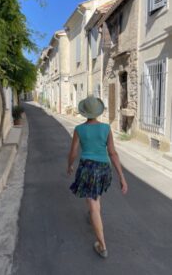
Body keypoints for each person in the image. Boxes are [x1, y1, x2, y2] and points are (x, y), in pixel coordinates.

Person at [67, 96, 128, 259]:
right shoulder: (106, 128)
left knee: (93, 206)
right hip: (104, 169)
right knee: (95, 198)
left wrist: (70, 165)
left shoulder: (79, 129)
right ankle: (93, 214)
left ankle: (102, 245)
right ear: (98, 112)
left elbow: (73, 152)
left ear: (84, 113)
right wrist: (122, 177)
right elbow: (113, 153)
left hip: (88, 169)